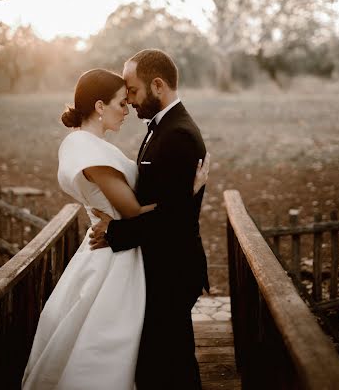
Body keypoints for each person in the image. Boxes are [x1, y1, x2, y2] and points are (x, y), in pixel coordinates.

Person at [22, 67, 209, 390]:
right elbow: (132, 210)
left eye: (129, 98)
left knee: (130, 343)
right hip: (113, 256)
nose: (128, 109)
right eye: (122, 102)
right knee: (106, 339)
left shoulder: (92, 144)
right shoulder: (89, 148)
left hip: (120, 247)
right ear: (99, 106)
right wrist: (187, 195)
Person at [89, 49, 209, 390]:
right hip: (163, 262)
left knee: (171, 364)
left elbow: (171, 220)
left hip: (173, 268)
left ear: (157, 85)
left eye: (133, 90)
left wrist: (114, 234)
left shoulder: (178, 134)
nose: (128, 99)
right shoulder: (161, 127)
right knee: (168, 361)